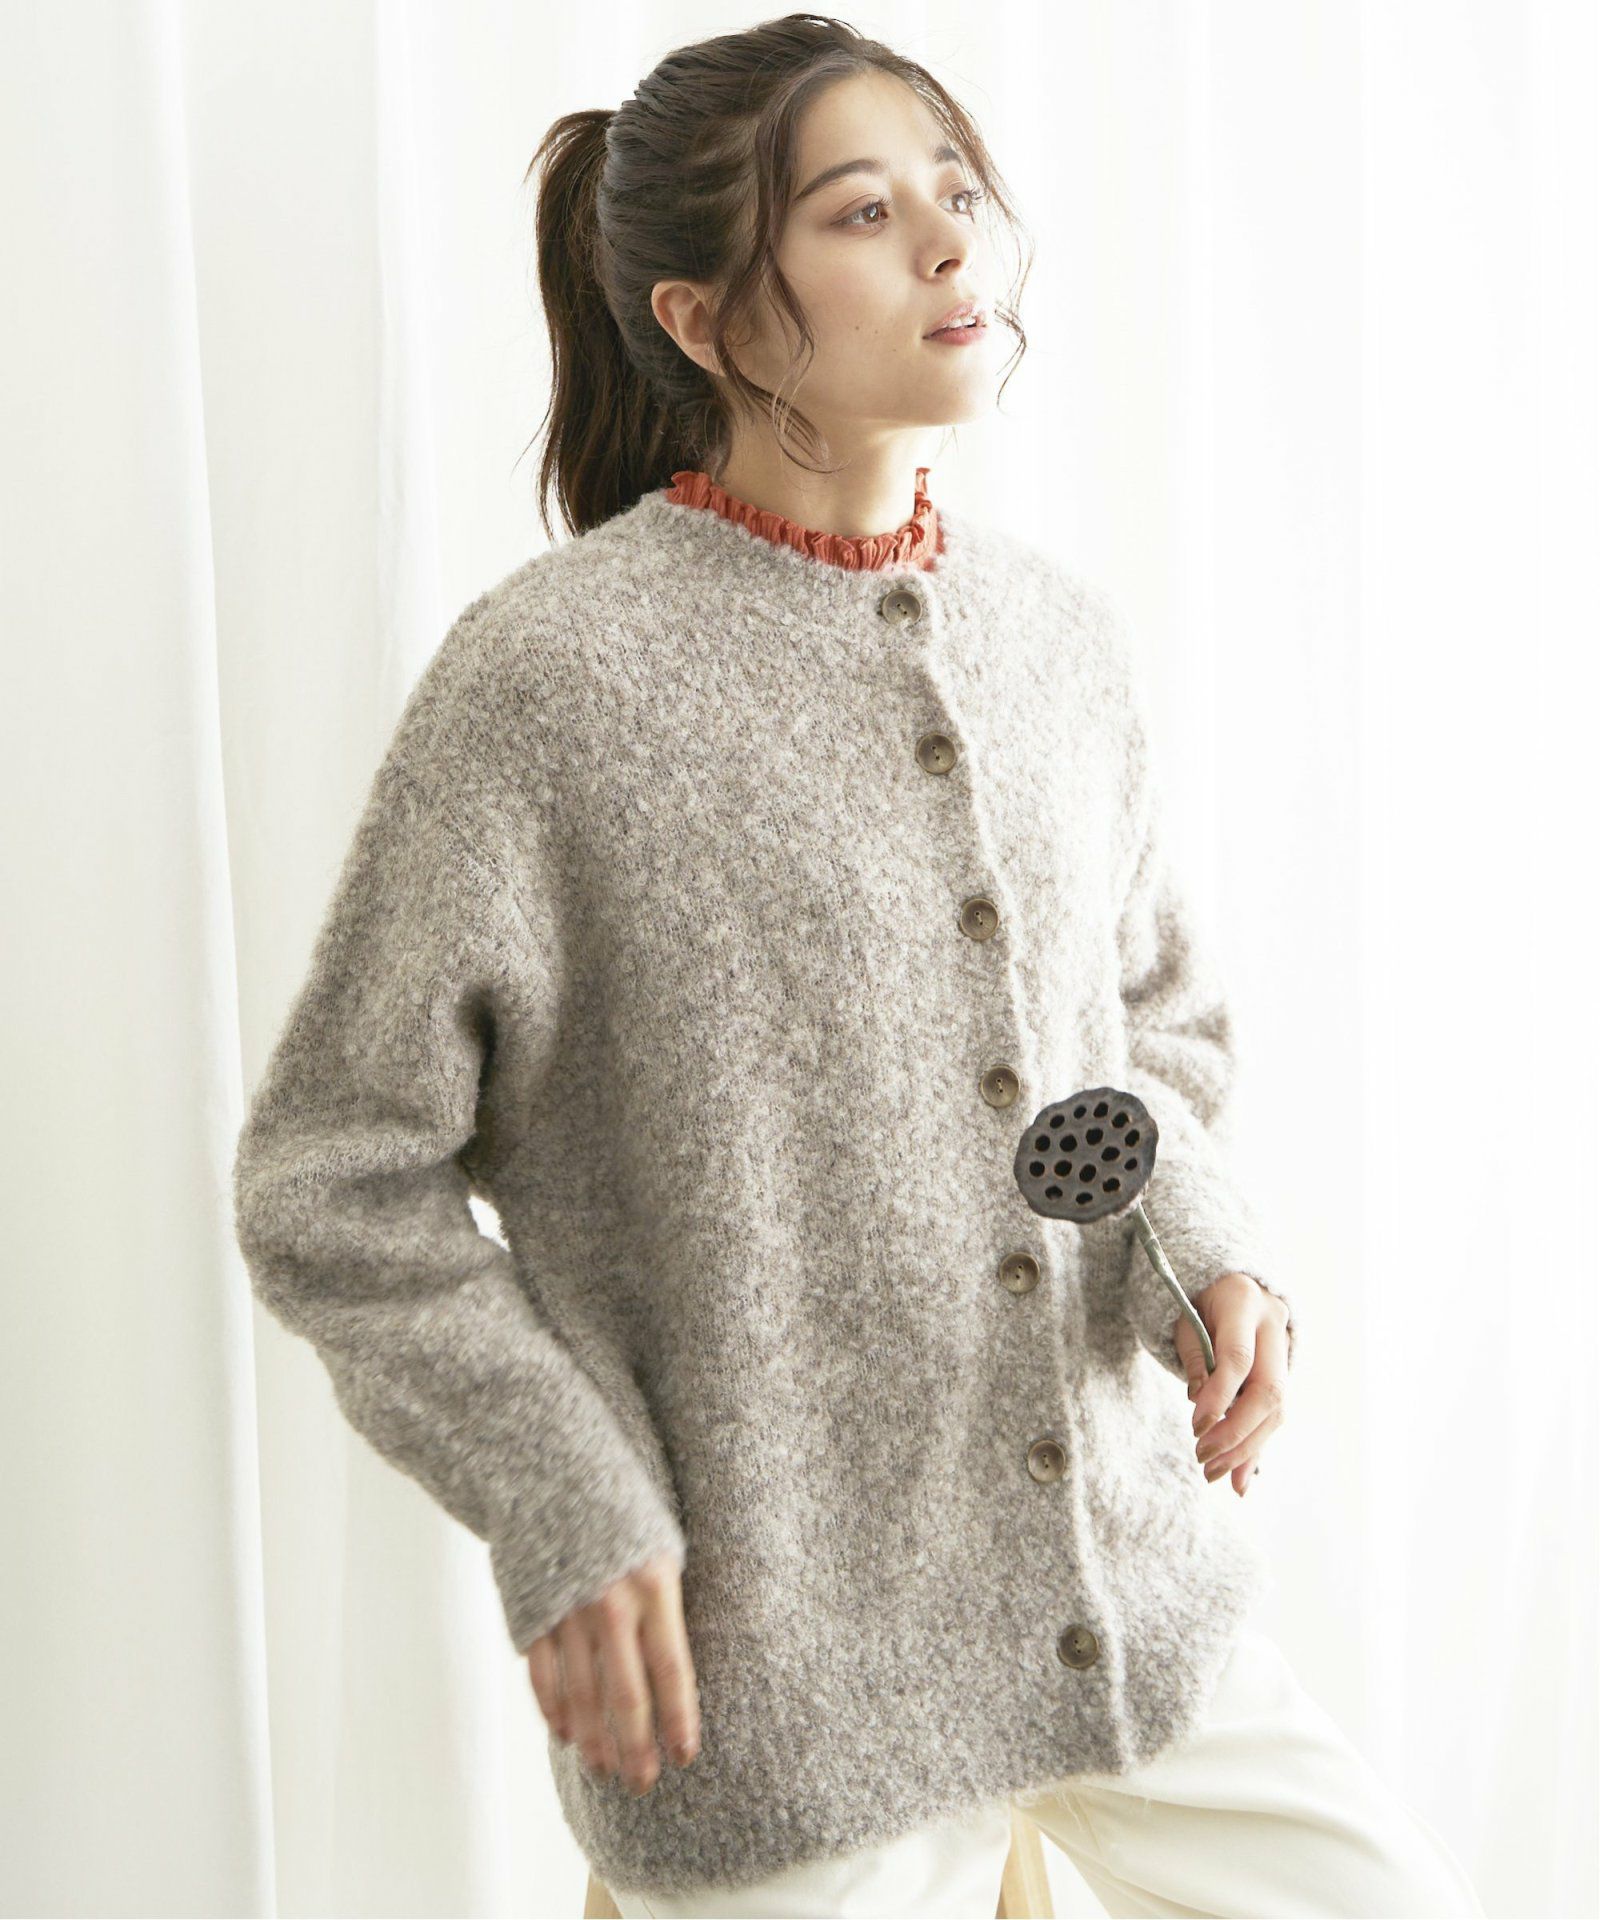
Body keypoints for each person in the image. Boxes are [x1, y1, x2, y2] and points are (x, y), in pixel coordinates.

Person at [233, 14, 1485, 1917]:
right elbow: (335, 1179)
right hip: (775, 1700)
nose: (950, 242)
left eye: (955, 190)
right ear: (706, 321)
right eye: (862, 213)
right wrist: (566, 1499)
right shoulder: (552, 686)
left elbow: (1147, 1034)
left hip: (1125, 1611)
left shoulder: (1057, 645)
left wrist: (1199, 1247)